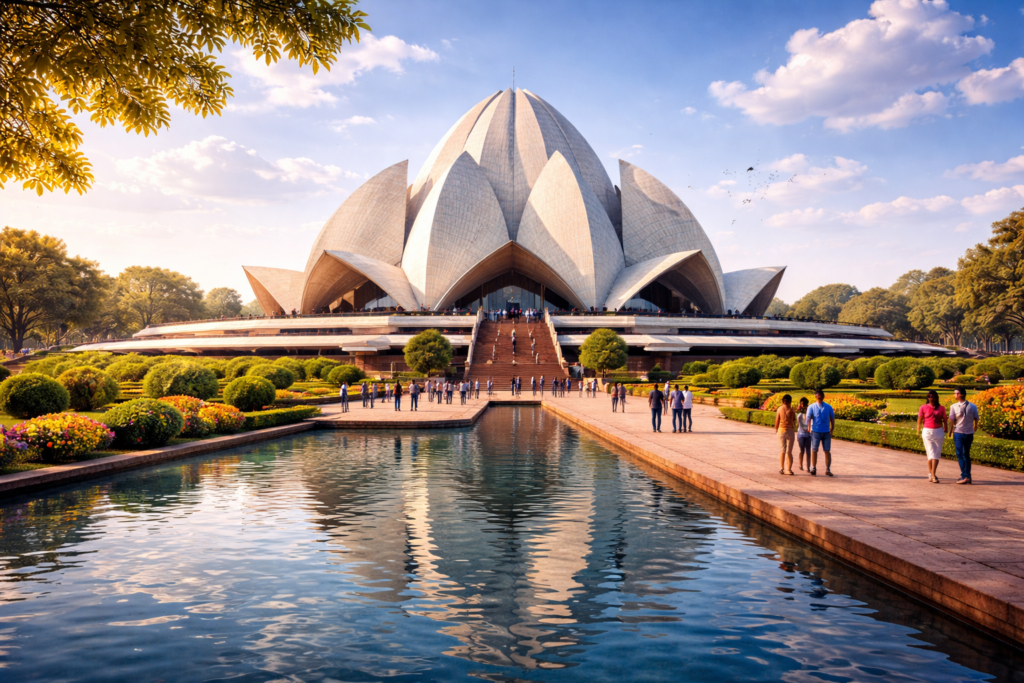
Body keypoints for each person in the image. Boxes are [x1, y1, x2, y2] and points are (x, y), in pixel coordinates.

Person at [947, 388, 979, 485]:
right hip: (958, 432)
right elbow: (951, 420)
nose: (954, 395)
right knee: (961, 454)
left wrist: (975, 427)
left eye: (955, 393)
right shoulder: (953, 406)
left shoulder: (972, 406)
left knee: (965, 454)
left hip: (968, 433)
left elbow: (976, 418)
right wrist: (950, 431)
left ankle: (965, 476)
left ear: (960, 394)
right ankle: (966, 475)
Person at [917, 390, 946, 483]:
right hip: (927, 431)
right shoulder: (923, 407)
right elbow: (919, 420)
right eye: (929, 396)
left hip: (938, 431)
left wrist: (946, 429)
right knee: (931, 452)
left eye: (933, 396)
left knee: (936, 454)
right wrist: (918, 431)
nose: (931, 398)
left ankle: (931, 474)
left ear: (936, 397)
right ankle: (933, 475)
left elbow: (945, 420)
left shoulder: (941, 408)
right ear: (927, 397)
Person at [806, 390, 835, 476]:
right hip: (816, 431)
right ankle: (813, 468)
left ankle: (828, 469)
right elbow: (808, 417)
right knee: (814, 450)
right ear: (815, 396)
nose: (818, 396)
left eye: (820, 395)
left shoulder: (828, 407)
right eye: (817, 395)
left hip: (826, 432)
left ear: (823, 396)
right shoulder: (811, 407)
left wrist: (832, 428)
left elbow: (832, 418)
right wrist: (808, 427)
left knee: (827, 450)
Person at [774, 394, 796, 475]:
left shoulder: (780, 409)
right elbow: (794, 420)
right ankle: (789, 469)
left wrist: (776, 429)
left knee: (783, 450)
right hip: (790, 430)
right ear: (790, 401)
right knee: (789, 451)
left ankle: (782, 468)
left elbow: (777, 420)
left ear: (783, 401)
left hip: (781, 430)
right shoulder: (792, 410)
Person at [796, 397, 811, 471]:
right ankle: (805, 466)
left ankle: (802, 465)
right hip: (805, 434)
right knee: (806, 451)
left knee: (804, 451)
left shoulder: (800, 415)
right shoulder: (801, 415)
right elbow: (804, 426)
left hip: (803, 434)